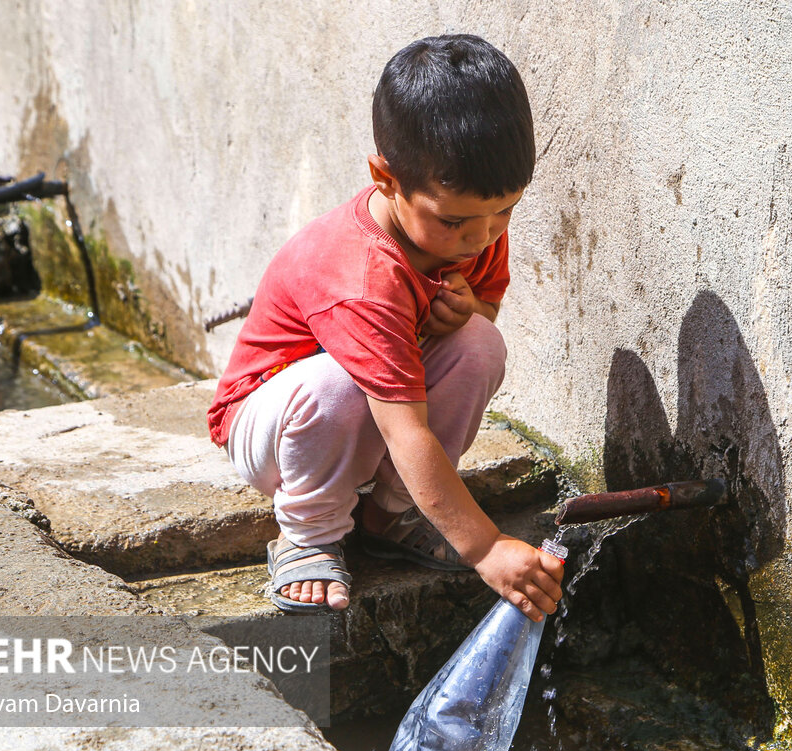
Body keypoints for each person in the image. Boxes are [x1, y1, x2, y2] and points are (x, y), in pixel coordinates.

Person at [207, 34, 564, 622]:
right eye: (457, 220)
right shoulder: (362, 275)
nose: (483, 236)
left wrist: (470, 310)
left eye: (506, 211)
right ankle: (309, 534)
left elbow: (485, 312)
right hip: (271, 428)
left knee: (478, 344)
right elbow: (406, 431)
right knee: (339, 384)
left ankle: (389, 515)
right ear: (385, 177)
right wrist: (487, 547)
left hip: (369, 419)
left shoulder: (471, 227)